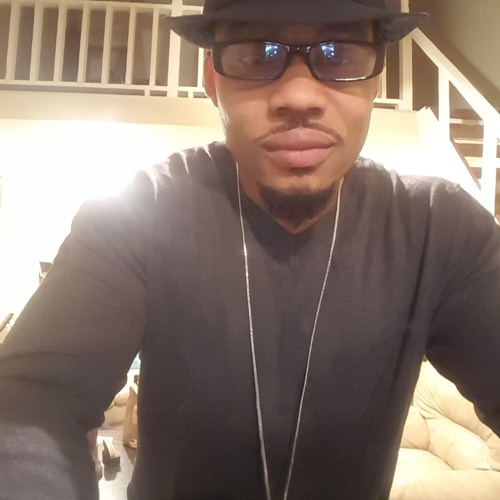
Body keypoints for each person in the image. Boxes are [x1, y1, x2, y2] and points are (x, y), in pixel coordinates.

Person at [0, 0, 499, 499]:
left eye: (339, 54)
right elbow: (31, 402)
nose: (299, 96)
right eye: (258, 56)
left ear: (376, 82)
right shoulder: (139, 212)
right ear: (213, 82)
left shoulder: (439, 228)